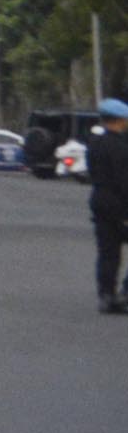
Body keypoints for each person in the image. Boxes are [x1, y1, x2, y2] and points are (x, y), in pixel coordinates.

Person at [85, 97, 128, 316]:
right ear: (121, 120)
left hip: (99, 200)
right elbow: (124, 180)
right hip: (120, 204)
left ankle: (106, 296)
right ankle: (125, 294)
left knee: (107, 253)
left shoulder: (95, 143)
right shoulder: (120, 146)